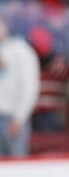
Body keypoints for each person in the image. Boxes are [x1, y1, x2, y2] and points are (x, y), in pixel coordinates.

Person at [0, 16, 40, 157]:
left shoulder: (21, 51)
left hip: (11, 118)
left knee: (16, 168)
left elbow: (30, 88)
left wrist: (19, 117)